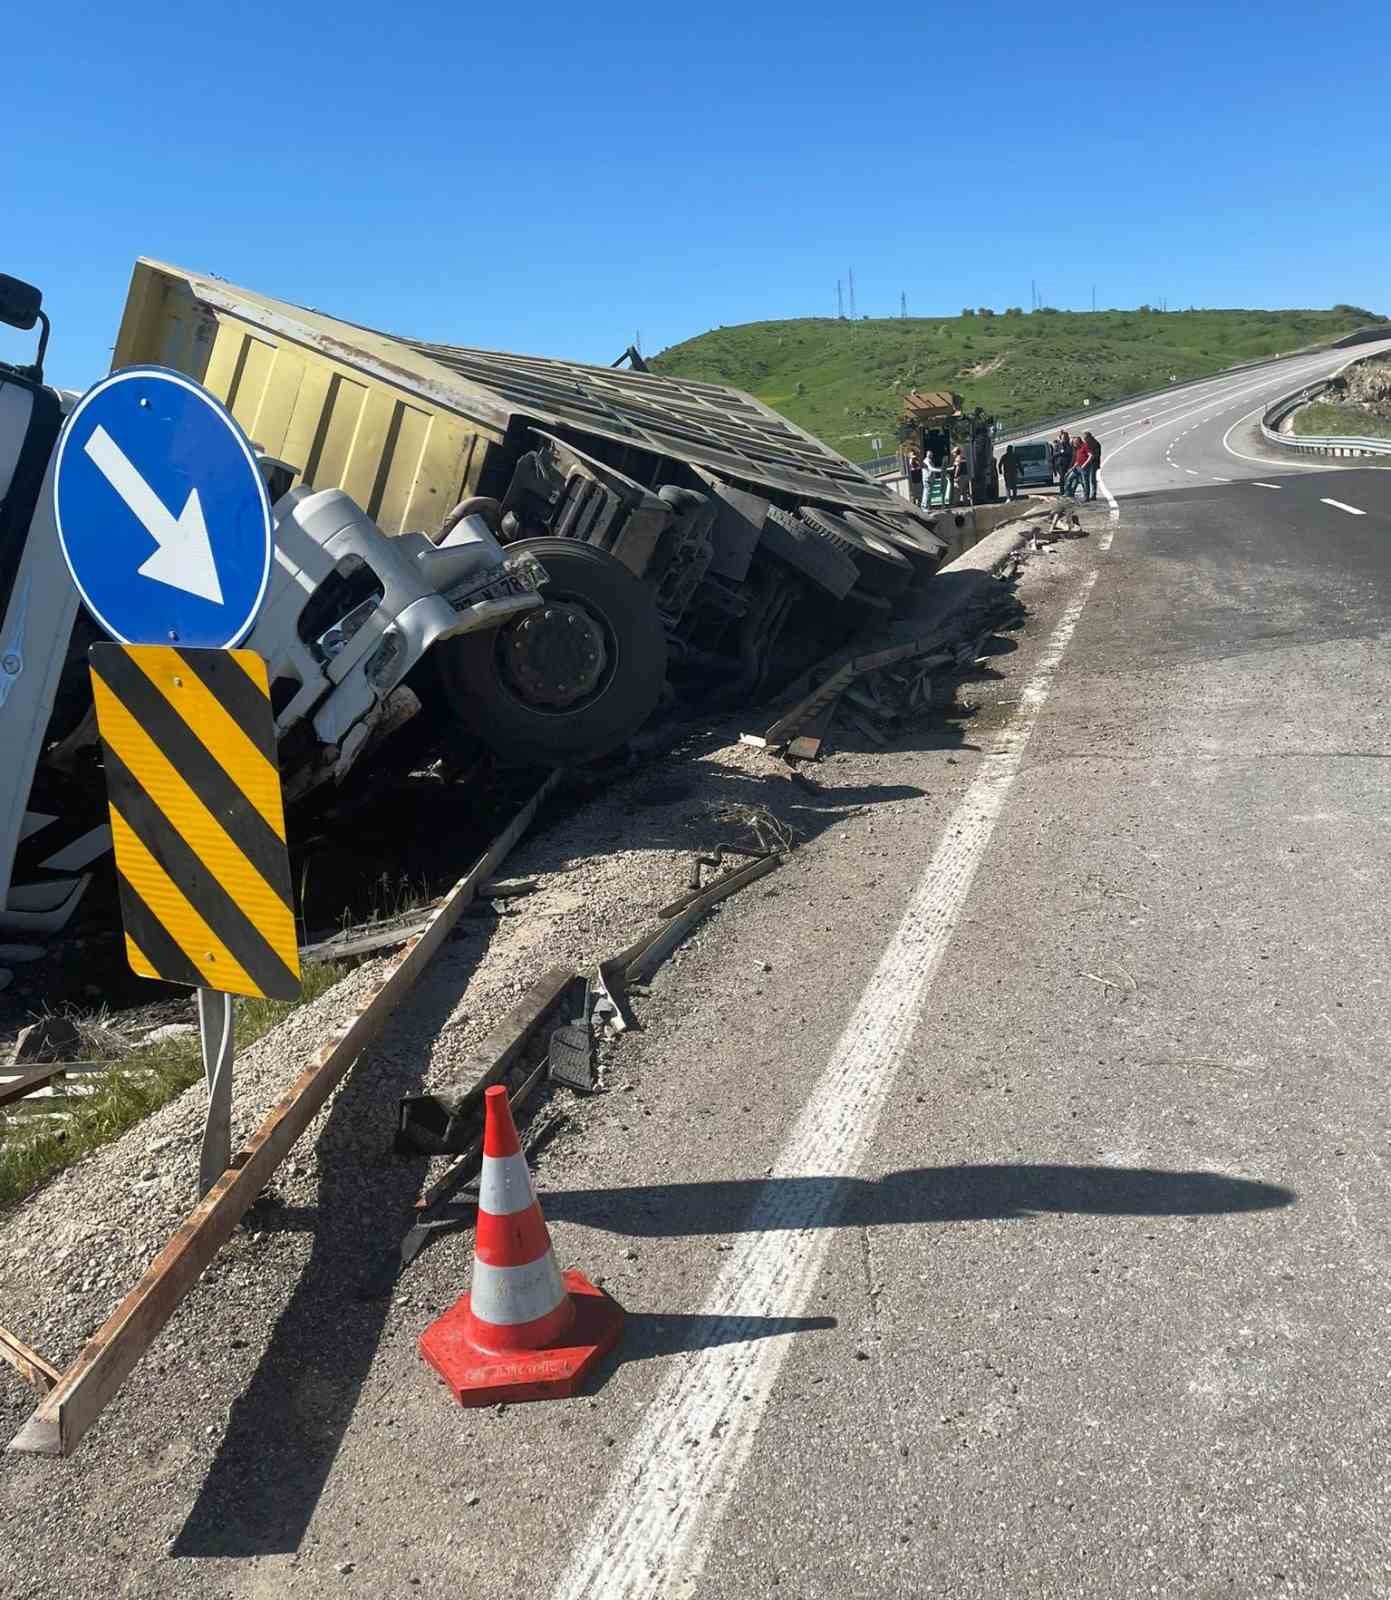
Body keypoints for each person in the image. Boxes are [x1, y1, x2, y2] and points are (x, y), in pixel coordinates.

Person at [1065, 433, 1092, 499]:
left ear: (1078, 442)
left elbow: (1090, 456)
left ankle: (1086, 497)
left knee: (1085, 482)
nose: (1074, 444)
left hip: (1084, 468)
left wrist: (1084, 465)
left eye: (1074, 442)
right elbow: (1077, 461)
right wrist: (1071, 469)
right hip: (1077, 468)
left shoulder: (1085, 446)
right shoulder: (1078, 449)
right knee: (1069, 478)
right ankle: (1068, 494)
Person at [1083, 431, 1102, 502]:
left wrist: (1090, 458)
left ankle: (1093, 494)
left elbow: (1097, 455)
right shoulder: (1085, 444)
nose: (1085, 440)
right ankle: (1087, 495)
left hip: (1093, 464)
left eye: (1085, 438)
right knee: (1086, 480)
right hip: (1086, 464)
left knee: (1092, 479)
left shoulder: (1096, 444)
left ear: (1089, 437)